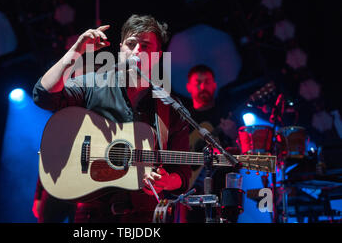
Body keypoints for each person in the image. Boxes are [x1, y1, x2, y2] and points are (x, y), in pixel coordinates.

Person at [32, 14, 192, 223]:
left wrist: (166, 181)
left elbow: (183, 175)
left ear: (158, 55)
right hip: (92, 211)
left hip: (144, 214)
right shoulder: (93, 83)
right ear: (120, 49)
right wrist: (76, 51)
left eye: (146, 46)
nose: (137, 51)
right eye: (131, 44)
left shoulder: (170, 105)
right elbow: (43, 95)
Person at [183, 64, 241, 223]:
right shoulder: (183, 119)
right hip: (191, 193)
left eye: (207, 82)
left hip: (225, 192)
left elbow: (243, 155)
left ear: (215, 84)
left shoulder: (228, 115)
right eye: (198, 82)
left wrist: (234, 136)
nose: (203, 86)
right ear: (188, 87)